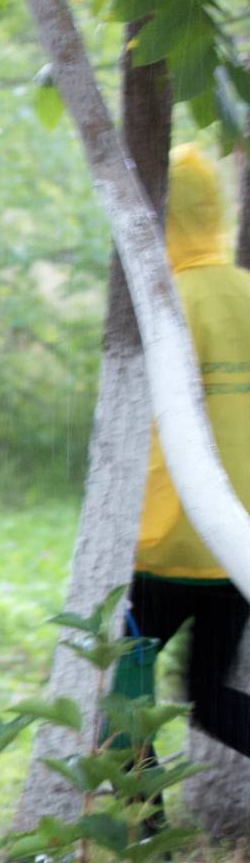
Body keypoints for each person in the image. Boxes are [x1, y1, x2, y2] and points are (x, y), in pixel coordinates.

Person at [114, 143, 250, 773]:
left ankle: (149, 842)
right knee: (212, 700)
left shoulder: (162, 305)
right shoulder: (246, 293)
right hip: (236, 549)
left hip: (163, 550)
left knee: (122, 702)